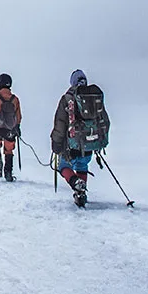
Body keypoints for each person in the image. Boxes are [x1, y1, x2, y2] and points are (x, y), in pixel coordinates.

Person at [50, 69, 110, 207]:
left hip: (71, 144)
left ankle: (77, 184)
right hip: (90, 142)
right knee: (82, 165)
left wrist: (56, 142)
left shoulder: (67, 99)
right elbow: (104, 120)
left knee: (63, 166)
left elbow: (60, 122)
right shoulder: (93, 98)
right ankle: (81, 195)